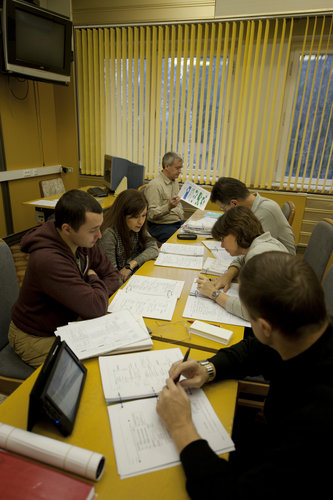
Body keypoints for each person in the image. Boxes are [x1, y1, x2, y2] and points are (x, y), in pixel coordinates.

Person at [157, 252, 333, 499]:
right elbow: (256, 350)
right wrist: (208, 369)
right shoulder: (306, 330)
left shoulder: (316, 417)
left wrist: (181, 427)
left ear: (264, 327)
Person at [8, 189, 120, 368]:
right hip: (36, 337)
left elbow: (112, 275)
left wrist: (93, 295)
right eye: (93, 230)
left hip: (69, 322)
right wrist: (93, 279)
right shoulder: (48, 260)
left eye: (99, 227)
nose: (99, 235)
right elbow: (96, 307)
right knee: (95, 367)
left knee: (115, 348)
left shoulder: (83, 240)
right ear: (67, 228)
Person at [197, 206, 287, 320]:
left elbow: (253, 312)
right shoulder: (261, 243)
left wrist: (214, 293)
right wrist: (228, 275)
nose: (222, 245)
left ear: (236, 233)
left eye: (223, 239)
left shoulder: (259, 256)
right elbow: (241, 259)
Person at [211, 177, 296, 255]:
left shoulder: (265, 212)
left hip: (280, 264)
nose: (225, 213)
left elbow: (251, 249)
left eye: (223, 209)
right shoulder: (251, 208)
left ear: (234, 203)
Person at [99, 188, 159, 283]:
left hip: (132, 276)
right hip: (115, 287)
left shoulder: (135, 227)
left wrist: (132, 264)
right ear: (122, 215)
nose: (141, 221)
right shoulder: (109, 234)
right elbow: (113, 277)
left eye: (144, 215)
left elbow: (153, 248)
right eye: (135, 217)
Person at [144, 151, 185, 243]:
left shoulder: (174, 181)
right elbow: (151, 214)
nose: (180, 171)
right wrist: (168, 207)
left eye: (180, 168)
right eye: (177, 168)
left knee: (193, 235)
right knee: (180, 242)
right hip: (160, 226)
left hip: (175, 222)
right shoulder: (155, 185)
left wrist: (181, 217)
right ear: (166, 166)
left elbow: (179, 205)